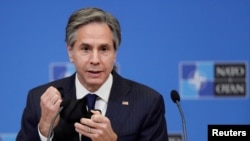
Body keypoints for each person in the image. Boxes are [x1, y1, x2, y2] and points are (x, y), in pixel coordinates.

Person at [16, 7, 169, 141]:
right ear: (70, 52)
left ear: (115, 53)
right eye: (85, 49)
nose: (95, 60)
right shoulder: (39, 100)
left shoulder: (147, 103)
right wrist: (44, 130)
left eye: (104, 49)